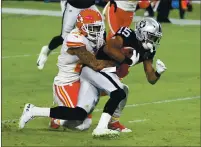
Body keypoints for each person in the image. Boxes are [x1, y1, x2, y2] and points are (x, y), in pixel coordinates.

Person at [19, 17, 167, 138]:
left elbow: (150, 78)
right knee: (119, 93)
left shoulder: (149, 51)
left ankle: (33, 110)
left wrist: (158, 72)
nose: (154, 41)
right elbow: (109, 48)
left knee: (80, 113)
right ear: (142, 33)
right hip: (95, 69)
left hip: (105, 73)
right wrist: (126, 60)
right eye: (152, 37)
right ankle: (102, 127)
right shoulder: (127, 35)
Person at [49, 8, 131, 132]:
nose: (97, 31)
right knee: (81, 124)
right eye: (93, 28)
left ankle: (114, 121)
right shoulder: (75, 38)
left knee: (122, 89)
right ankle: (55, 117)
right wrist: (118, 63)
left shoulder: (97, 37)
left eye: (98, 27)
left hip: (86, 79)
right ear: (82, 27)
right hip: (67, 82)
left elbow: (103, 57)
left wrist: (119, 65)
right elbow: (95, 64)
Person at [37, 0, 100, 70]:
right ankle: (46, 50)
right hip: (73, 6)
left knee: (98, 33)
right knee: (64, 37)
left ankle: (96, 63)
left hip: (90, 6)